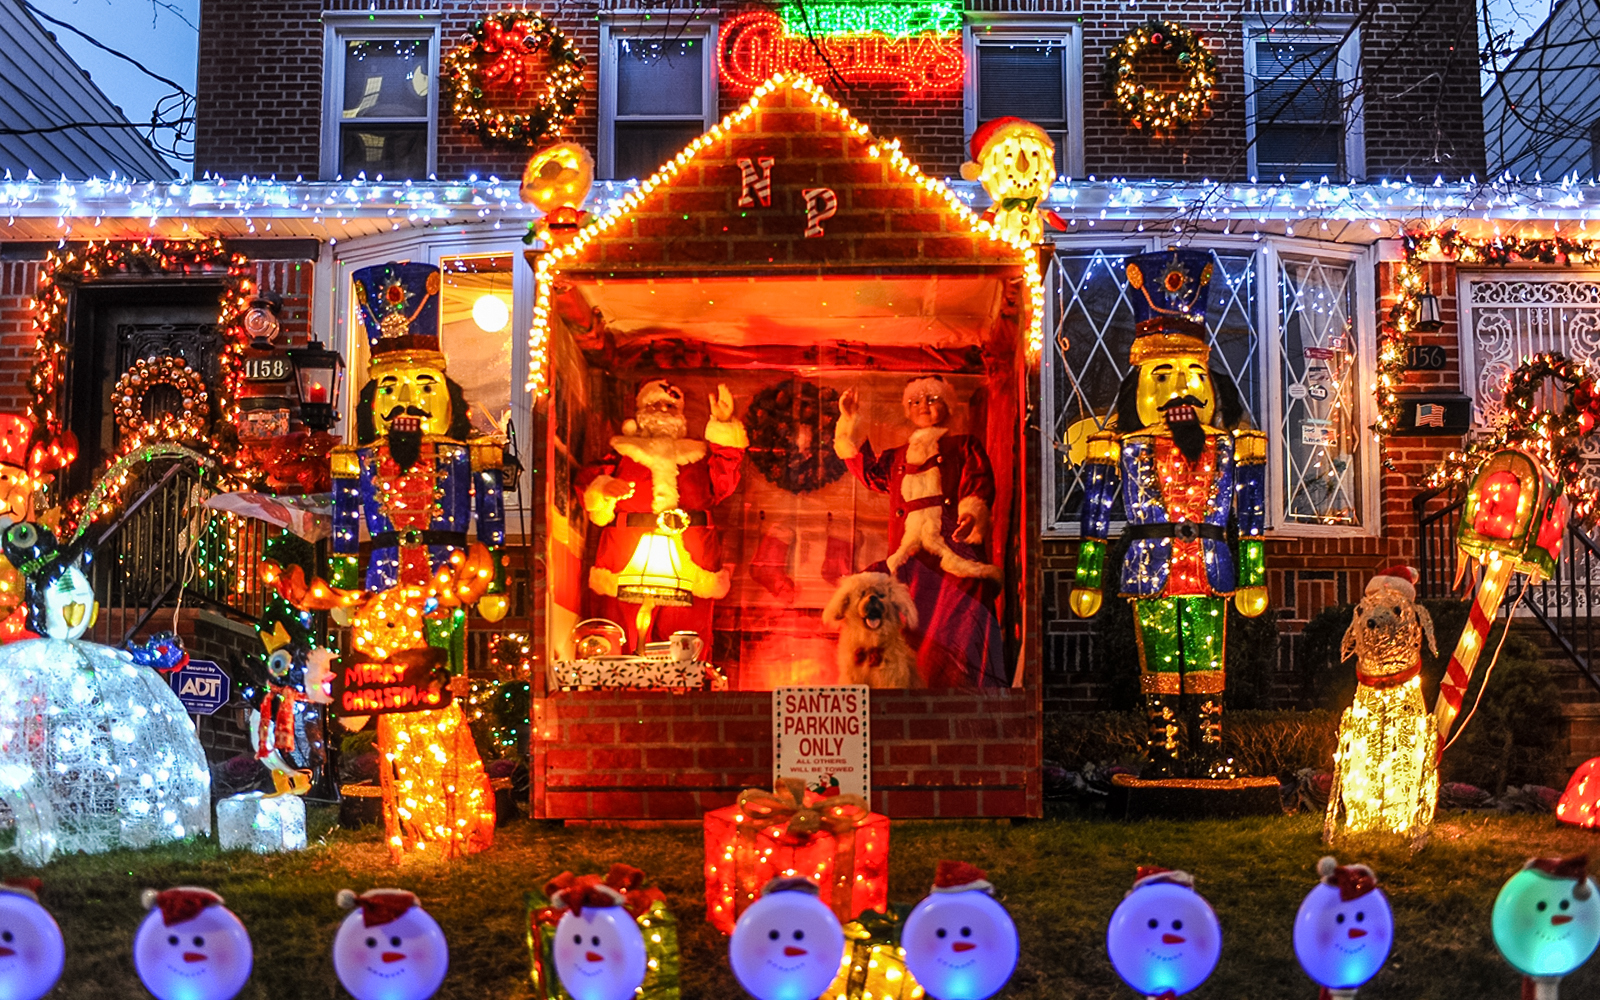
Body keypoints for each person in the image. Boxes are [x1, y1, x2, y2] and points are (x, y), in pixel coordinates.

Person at [1068, 248, 1268, 779]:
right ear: (1138, 388)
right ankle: (1165, 747)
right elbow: (1097, 513)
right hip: (1149, 567)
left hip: (1210, 565)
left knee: (1207, 660)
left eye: (1191, 377)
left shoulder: (1235, 446)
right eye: (1162, 376)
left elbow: (1249, 516)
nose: (1180, 390)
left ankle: (1208, 747)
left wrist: (1252, 575)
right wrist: (1088, 574)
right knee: (1158, 660)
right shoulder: (1121, 447)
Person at [833, 377, 1005, 687]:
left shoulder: (963, 446)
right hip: (911, 558)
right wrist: (850, 421)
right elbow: (870, 472)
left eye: (931, 399)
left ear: (947, 405)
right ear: (907, 411)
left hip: (953, 554)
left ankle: (965, 697)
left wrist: (970, 513)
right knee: (911, 628)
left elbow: (978, 483)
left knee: (963, 620)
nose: (923, 406)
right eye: (915, 402)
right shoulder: (898, 457)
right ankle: (913, 696)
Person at [578, 379, 746, 654]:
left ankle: (684, 691)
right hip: (627, 559)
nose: (663, 410)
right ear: (640, 412)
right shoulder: (622, 453)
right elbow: (589, 487)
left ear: (680, 414)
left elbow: (724, 483)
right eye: (654, 404)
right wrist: (604, 488)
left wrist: (723, 424)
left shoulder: (697, 457)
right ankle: (620, 690)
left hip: (692, 562)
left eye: (670, 405)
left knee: (685, 640)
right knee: (621, 635)